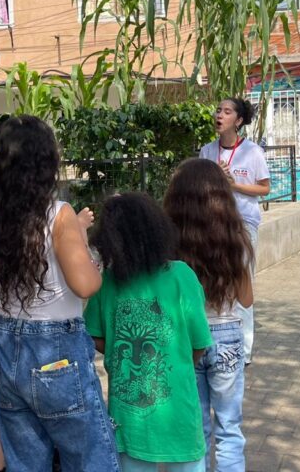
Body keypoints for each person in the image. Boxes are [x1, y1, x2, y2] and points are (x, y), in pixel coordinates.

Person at [0, 115, 119, 472]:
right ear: (47, 163)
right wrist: (91, 256)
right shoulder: (59, 215)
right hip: (57, 348)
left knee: (25, 461)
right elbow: (85, 285)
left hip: (7, 349)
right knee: (90, 456)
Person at [84, 192, 213, 472]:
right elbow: (200, 343)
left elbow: (95, 336)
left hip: (130, 421)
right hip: (179, 414)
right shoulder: (181, 275)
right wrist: (175, 361)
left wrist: (119, 347)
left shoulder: (107, 282)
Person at [164, 158, 254, 472]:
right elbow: (246, 299)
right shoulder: (235, 238)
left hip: (186, 338)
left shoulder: (170, 243)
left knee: (196, 429)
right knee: (229, 429)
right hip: (227, 335)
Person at [198, 97, 269, 365]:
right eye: (218, 110)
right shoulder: (207, 151)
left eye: (227, 112)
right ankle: (211, 342)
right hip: (212, 224)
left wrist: (234, 184)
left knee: (242, 282)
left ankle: (245, 349)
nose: (220, 115)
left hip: (243, 224)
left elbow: (264, 188)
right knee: (212, 283)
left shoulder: (252, 152)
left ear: (238, 120)